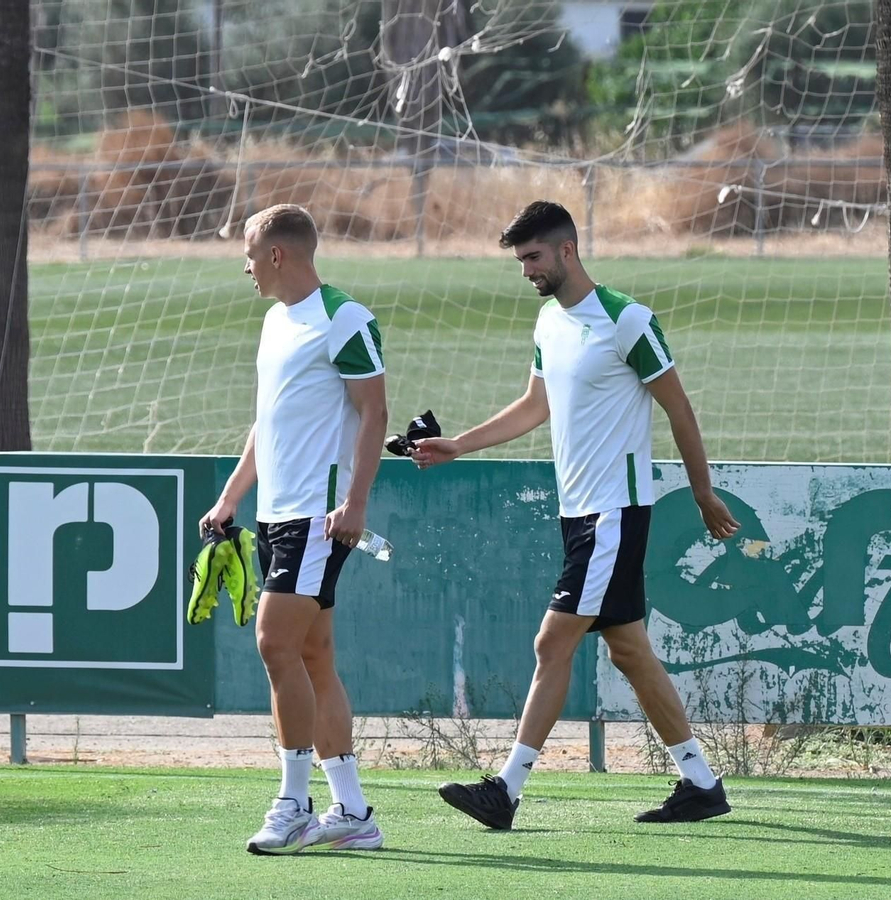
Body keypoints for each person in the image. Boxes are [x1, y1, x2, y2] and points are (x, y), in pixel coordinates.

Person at [414, 200, 741, 828]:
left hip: (613, 515)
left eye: (533, 257)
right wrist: (457, 444)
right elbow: (533, 406)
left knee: (551, 641)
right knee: (630, 651)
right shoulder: (548, 321)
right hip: (581, 514)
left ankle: (505, 790)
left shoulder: (627, 320)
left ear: (567, 250)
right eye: (520, 260)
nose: (526, 270)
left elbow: (680, 410)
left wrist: (702, 492)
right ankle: (701, 782)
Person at [201, 203, 389, 854]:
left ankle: (294, 803)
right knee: (312, 656)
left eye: (250, 254)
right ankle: (354, 812)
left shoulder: (344, 319)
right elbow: (268, 421)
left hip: (319, 514)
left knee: (274, 644)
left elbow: (374, 414)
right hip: (277, 514)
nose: (246, 266)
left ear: (277, 255)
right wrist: (230, 500)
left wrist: (356, 505)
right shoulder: (275, 322)